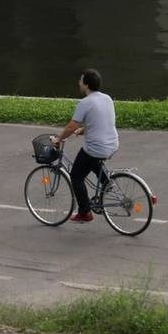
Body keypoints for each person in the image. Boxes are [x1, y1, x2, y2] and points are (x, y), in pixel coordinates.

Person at [52, 68, 118, 223]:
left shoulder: (85, 102)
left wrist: (59, 139)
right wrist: (84, 130)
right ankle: (106, 183)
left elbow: (71, 126)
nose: (79, 82)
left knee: (76, 176)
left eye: (81, 80)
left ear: (86, 85)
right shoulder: (106, 98)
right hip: (112, 143)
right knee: (91, 159)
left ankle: (85, 212)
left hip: (97, 147)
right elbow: (100, 120)